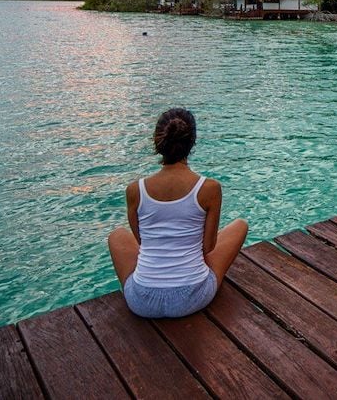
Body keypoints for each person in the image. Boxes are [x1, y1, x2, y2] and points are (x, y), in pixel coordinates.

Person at [106, 108, 248, 318]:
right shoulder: (209, 188)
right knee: (240, 226)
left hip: (142, 301)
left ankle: (155, 277)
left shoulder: (135, 190)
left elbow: (142, 242)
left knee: (117, 236)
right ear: (192, 142)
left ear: (158, 141)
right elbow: (208, 247)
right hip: (192, 297)